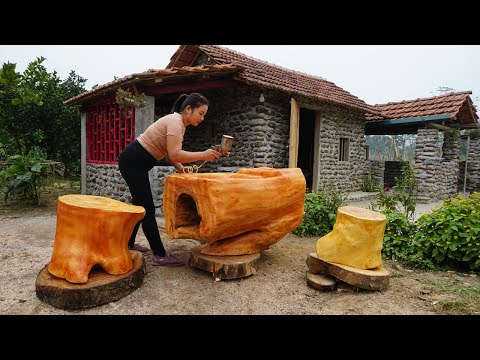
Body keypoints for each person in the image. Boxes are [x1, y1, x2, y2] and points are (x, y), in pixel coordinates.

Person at [118, 92, 221, 266]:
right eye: (201, 113)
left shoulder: (179, 124)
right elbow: (174, 153)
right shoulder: (175, 122)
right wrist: (204, 155)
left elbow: (170, 155)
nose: (202, 118)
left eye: (204, 115)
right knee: (147, 209)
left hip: (134, 161)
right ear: (188, 109)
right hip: (133, 161)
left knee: (139, 207)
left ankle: (129, 244)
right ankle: (159, 254)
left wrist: (181, 168)